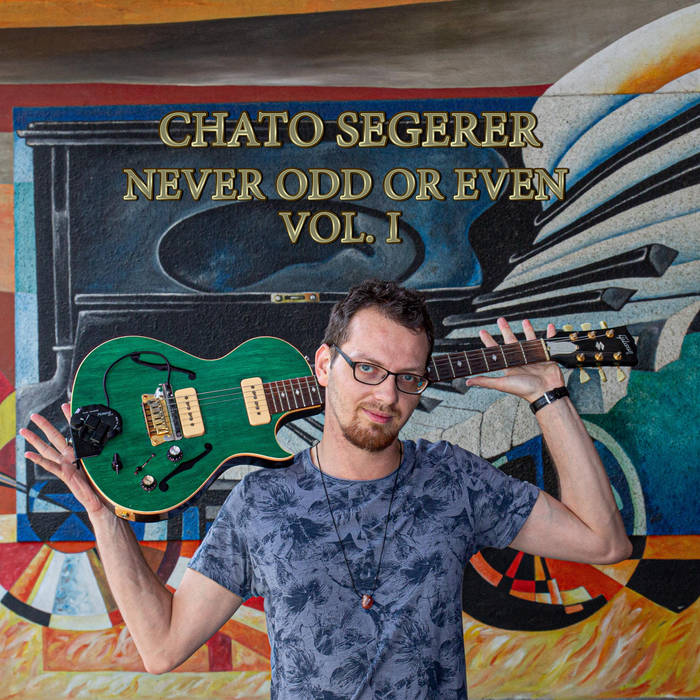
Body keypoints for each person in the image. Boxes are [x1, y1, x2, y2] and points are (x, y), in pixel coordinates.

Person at [21, 279, 632, 699]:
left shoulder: (454, 479)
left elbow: (604, 542)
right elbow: (161, 646)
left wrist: (548, 395)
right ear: (322, 365)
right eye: (367, 368)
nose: (386, 395)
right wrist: (101, 513)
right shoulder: (260, 501)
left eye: (408, 378)